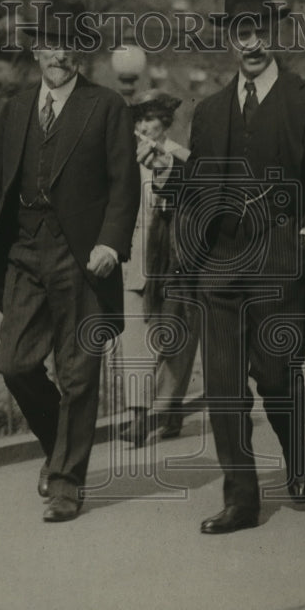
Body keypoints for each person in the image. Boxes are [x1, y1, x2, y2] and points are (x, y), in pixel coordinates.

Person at [141, 0, 305, 534]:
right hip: (219, 266)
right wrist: (172, 180)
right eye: (240, 31)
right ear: (230, 37)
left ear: (272, 32)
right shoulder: (208, 112)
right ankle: (242, 499)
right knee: (226, 385)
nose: (251, 42)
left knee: (275, 375)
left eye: (259, 29)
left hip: (281, 263)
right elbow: (204, 185)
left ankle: (295, 451)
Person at [0, 0, 139, 523]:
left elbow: (123, 184)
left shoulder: (105, 106)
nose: (56, 55)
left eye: (67, 46)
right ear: (35, 49)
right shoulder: (17, 108)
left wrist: (111, 243)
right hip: (24, 250)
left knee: (79, 374)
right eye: (48, 45)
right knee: (14, 363)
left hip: (82, 256)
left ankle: (66, 483)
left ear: (81, 52)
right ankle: (57, 447)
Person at [117, 89, 201, 446]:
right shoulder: (125, 160)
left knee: (174, 338)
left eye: (150, 119)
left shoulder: (182, 157)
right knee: (134, 340)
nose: (143, 126)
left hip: (175, 261)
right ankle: (138, 416)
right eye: (139, 119)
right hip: (136, 260)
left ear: (164, 122)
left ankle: (168, 409)